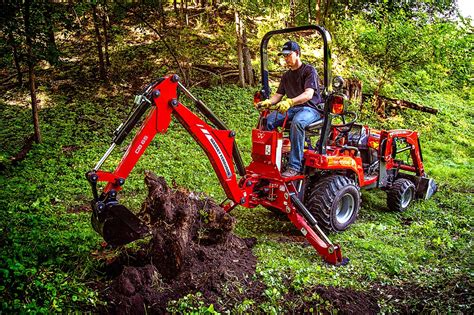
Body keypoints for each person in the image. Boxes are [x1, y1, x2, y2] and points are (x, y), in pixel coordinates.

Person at [256, 40, 323, 177]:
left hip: (310, 109)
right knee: (267, 121)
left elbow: (308, 94)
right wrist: (268, 102)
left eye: (288, 55)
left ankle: (294, 166)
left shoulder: (309, 71)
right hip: (293, 108)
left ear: (297, 53)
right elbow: (278, 95)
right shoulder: (286, 76)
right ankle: (270, 160)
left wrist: (290, 102)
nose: (285, 58)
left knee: (298, 123)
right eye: (284, 56)